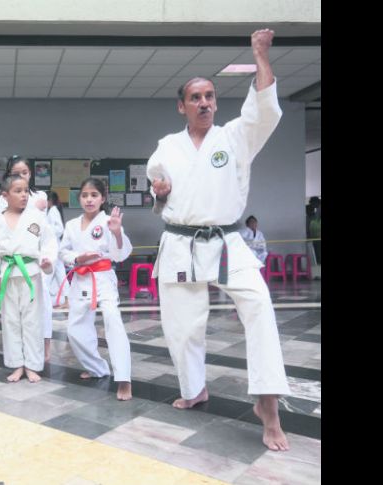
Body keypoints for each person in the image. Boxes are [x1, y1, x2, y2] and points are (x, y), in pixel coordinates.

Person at [146, 29, 291, 451]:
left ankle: (268, 405)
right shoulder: (167, 147)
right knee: (182, 327)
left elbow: (263, 110)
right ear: (182, 106)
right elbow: (159, 190)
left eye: (210, 96)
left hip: (228, 242)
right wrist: (160, 193)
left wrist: (260, 55)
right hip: (180, 244)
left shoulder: (234, 138)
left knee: (260, 307)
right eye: (196, 97)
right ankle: (194, 389)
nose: (205, 102)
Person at [59, 178, 133, 400]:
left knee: (112, 320)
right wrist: (77, 258)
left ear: (103, 198)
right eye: (84, 195)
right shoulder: (71, 225)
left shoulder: (109, 222)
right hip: (81, 278)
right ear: (79, 198)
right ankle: (97, 368)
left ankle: (124, 378)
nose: (89, 199)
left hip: (103, 278)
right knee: (75, 329)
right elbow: (63, 252)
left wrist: (117, 233)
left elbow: (120, 255)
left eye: (94, 195)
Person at [0, 174, 57, 382]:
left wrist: (47, 260)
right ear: (5, 195)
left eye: (26, 190)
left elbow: (49, 243)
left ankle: (32, 365)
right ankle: (16, 364)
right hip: (8, 274)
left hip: (30, 273)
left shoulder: (37, 217)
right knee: (10, 321)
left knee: (32, 321)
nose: (24, 195)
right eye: (18, 191)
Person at [0, 156, 55, 363]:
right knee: (14, 314)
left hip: (37, 258)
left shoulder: (41, 195)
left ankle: (44, 348)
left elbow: (40, 227)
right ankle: (19, 356)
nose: (21, 176)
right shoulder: (3, 199)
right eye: (16, 173)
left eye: (25, 172)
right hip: (15, 261)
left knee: (42, 306)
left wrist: (47, 259)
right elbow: (12, 220)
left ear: (30, 173)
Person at [46, 190, 69, 308]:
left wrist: (46, 229)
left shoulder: (53, 210)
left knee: (47, 275)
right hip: (54, 247)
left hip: (53, 248)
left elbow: (60, 229)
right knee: (60, 275)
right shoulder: (51, 210)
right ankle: (67, 299)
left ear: (49, 200)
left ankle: (42, 300)